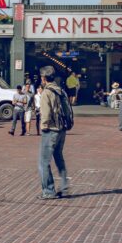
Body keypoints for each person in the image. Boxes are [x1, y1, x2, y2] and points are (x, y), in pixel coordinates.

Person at [36, 65, 70, 200]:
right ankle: (64, 186)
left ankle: (48, 191)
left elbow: (46, 114)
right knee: (58, 157)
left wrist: (43, 126)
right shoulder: (60, 90)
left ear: (43, 78)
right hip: (62, 129)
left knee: (43, 162)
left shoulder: (46, 92)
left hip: (51, 129)